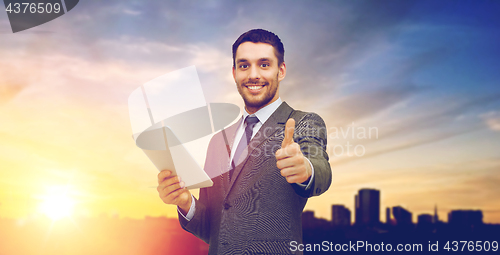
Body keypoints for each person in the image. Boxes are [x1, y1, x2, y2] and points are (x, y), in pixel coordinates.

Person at [157, 29, 332, 255]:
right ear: (234, 73)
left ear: (281, 71)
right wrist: (184, 202)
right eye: (244, 65)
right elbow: (212, 229)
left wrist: (305, 169)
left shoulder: (303, 122)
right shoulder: (218, 141)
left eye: (264, 64)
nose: (253, 75)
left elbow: (320, 168)